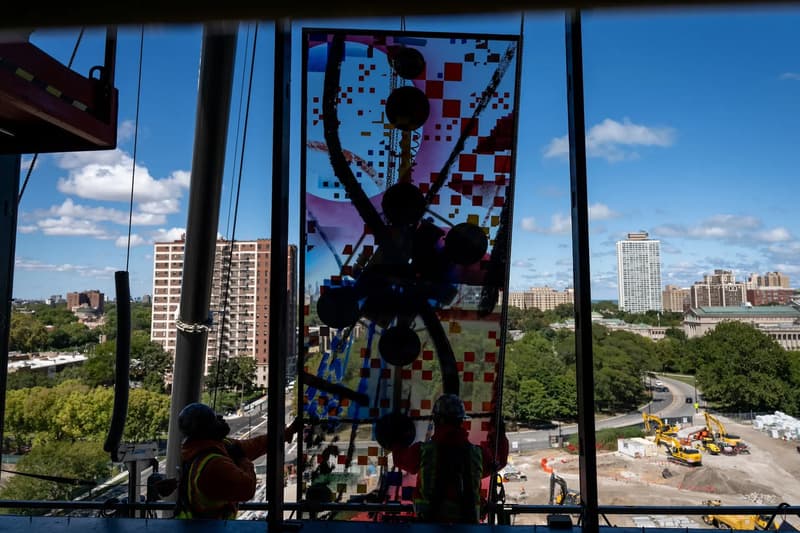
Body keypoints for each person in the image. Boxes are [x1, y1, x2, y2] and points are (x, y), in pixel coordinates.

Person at [390, 394, 509, 523]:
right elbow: (499, 460)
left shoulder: (422, 451)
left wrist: (395, 435)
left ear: (437, 420)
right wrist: (499, 432)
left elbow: (399, 459)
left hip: (429, 526)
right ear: (461, 421)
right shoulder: (478, 454)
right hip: (468, 527)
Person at [175, 402, 297, 519]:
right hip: (209, 528)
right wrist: (242, 459)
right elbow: (247, 489)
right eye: (214, 418)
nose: (221, 418)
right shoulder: (213, 464)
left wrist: (288, 432)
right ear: (206, 429)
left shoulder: (213, 447)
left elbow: (255, 445)